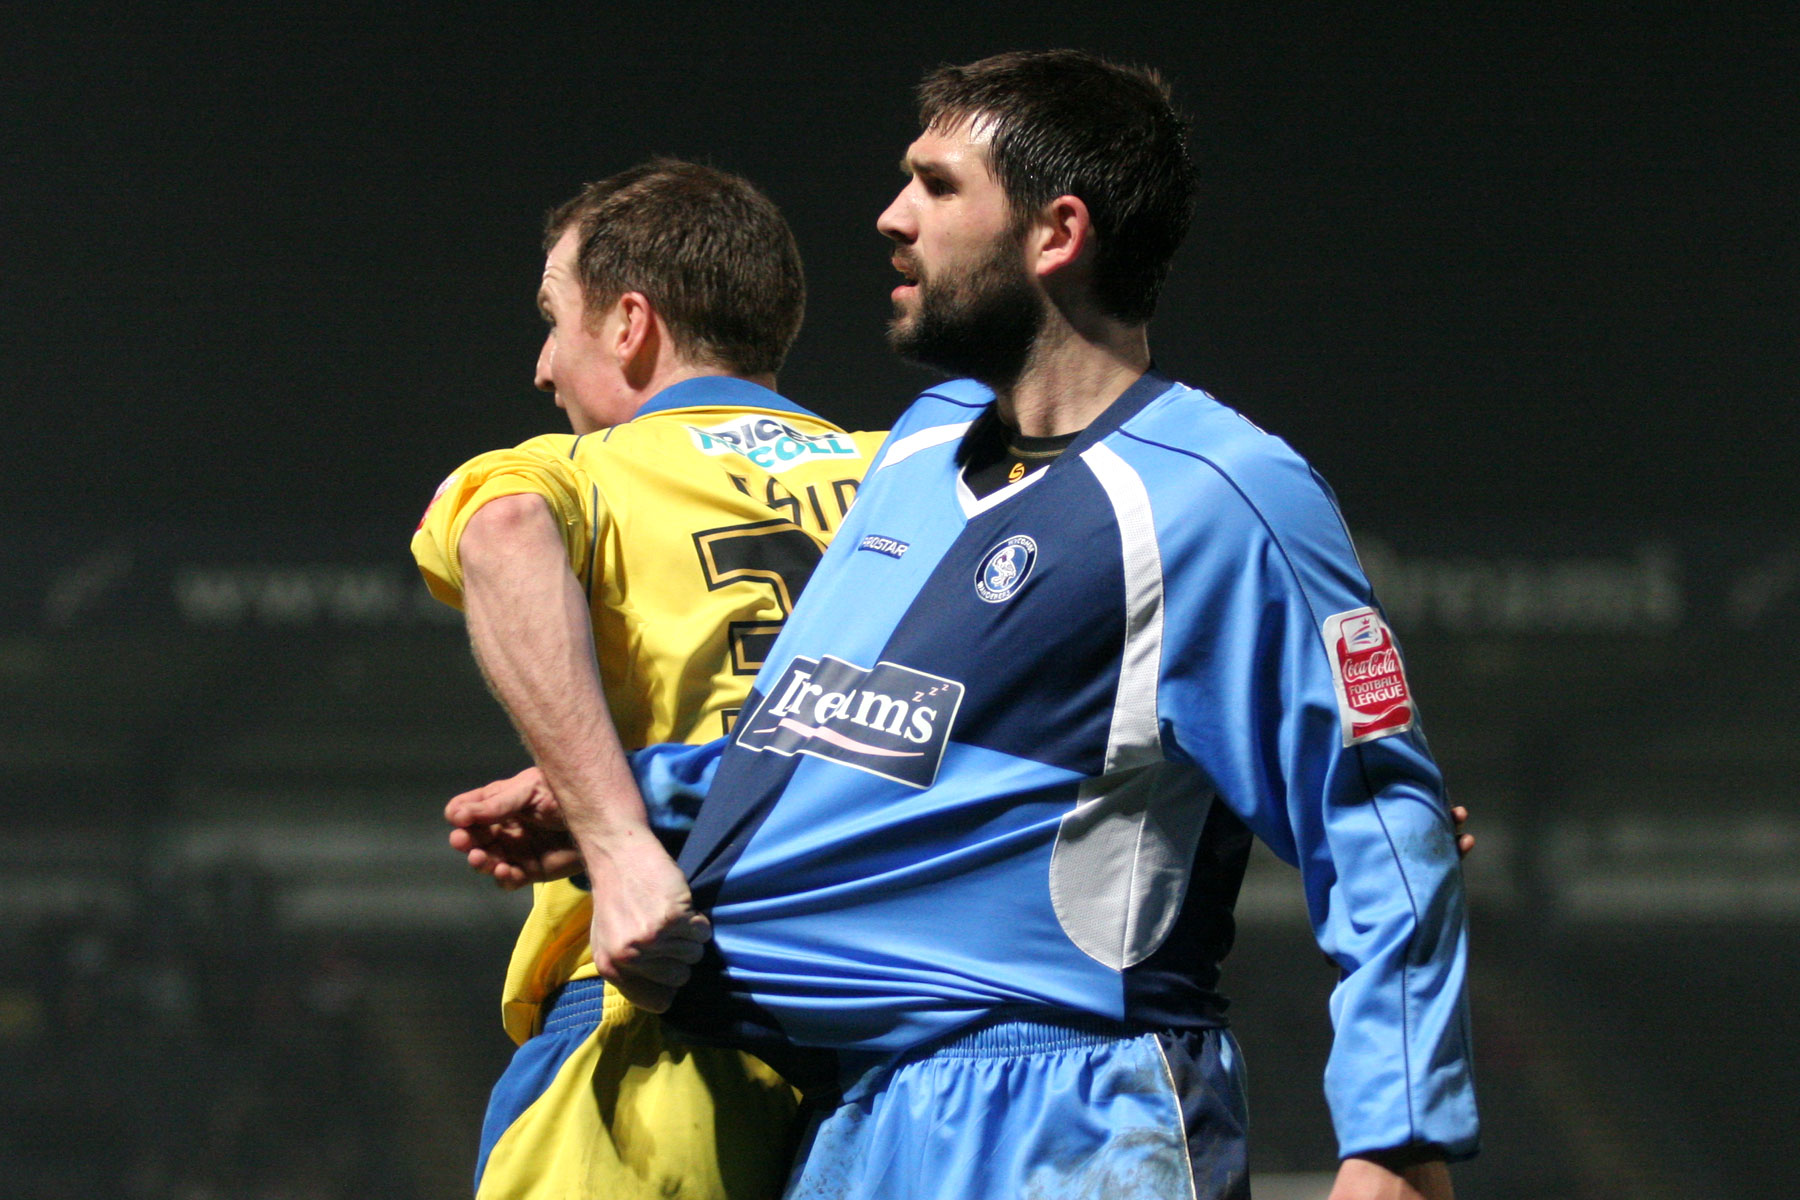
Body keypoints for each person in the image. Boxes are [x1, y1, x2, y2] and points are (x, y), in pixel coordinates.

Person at [464, 51, 1478, 1200]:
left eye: (938, 188)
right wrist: (645, 798)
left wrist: (1395, 1144)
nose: (893, 218)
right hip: (854, 1120)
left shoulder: (1221, 492)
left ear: (1056, 234)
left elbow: (1385, 822)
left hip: (1074, 1111)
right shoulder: (914, 451)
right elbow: (852, 731)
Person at [411, 159, 885, 1200]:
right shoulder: (914, 475)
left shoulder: (573, 470)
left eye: (553, 318)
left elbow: (498, 532)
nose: (543, 366)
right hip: (890, 1046)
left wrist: (619, 843)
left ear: (630, 323)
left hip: (654, 1010)